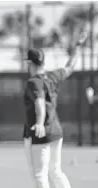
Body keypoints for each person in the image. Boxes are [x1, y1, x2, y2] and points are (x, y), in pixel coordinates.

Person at [23, 30, 87, 188]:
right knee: (55, 171)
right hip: (56, 132)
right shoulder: (52, 76)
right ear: (43, 63)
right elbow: (70, 67)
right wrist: (78, 45)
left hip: (40, 134)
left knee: (40, 174)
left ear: (31, 64)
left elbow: (39, 101)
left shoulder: (33, 82)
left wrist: (39, 123)